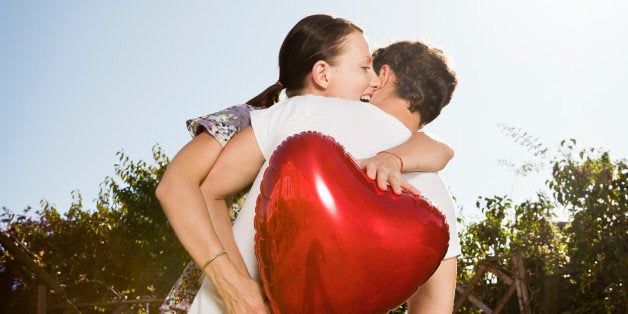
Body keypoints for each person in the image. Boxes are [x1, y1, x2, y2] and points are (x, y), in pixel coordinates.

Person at [157, 14, 454, 313]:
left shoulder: (300, 115)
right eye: (365, 68)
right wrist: (236, 284)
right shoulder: (437, 193)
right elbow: (181, 187)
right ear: (322, 74)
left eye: (373, 70)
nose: (372, 81)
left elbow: (209, 190)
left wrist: (238, 288)